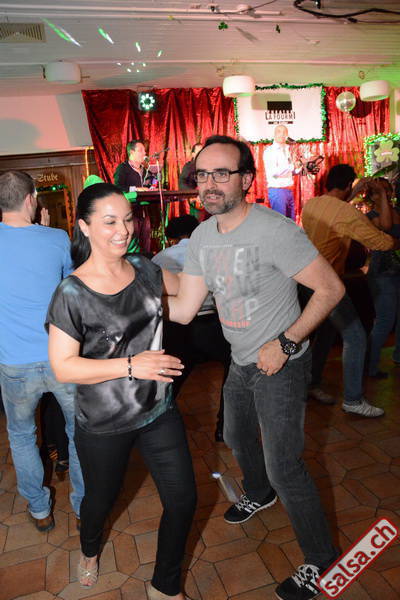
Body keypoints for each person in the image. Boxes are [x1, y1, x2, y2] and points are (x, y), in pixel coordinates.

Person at [166, 135, 345, 600]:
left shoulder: (273, 231)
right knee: (237, 437)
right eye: (202, 174)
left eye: (221, 173)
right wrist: (133, 286)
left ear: (246, 179)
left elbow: (331, 289)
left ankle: (322, 558)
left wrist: (286, 342)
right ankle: (259, 493)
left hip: (280, 362)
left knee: (284, 465)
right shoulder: (203, 237)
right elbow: (184, 309)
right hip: (241, 360)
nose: (209, 184)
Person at [47, 182, 196, 599]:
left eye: (127, 220)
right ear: (84, 226)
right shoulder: (71, 292)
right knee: (100, 501)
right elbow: (63, 366)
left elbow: (186, 297)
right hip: (104, 421)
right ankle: (89, 548)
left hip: (157, 410)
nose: (123, 230)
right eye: (110, 221)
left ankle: (165, 587)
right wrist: (132, 364)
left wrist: (215, 262)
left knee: (183, 500)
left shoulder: (144, 268)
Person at [0, 170, 84, 533]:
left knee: (21, 436)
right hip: (60, 356)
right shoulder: (57, 238)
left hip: (14, 362)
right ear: (30, 199)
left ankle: (39, 510)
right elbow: (71, 285)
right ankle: (83, 507)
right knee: (78, 433)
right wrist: (47, 234)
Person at [302, 166, 397, 415]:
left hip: (309, 280)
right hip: (327, 285)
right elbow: (381, 242)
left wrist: (353, 193)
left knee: (324, 334)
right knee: (355, 337)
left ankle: (311, 384)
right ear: (348, 185)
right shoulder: (346, 213)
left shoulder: (312, 204)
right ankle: (353, 400)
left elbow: (337, 210)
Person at [152, 214, 231, 441]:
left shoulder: (160, 258)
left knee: (171, 379)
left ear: (173, 237)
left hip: (176, 326)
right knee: (232, 367)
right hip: (211, 324)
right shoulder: (211, 254)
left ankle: (158, 427)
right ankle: (223, 427)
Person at [364, 178, 400, 377]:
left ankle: (398, 355)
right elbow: (386, 226)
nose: (386, 194)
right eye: (380, 192)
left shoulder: (397, 211)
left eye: (387, 191)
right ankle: (370, 365)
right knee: (385, 320)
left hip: (397, 270)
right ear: (372, 196)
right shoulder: (370, 217)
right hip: (382, 273)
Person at [263, 124, 300, 220]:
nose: (282, 134)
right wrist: (292, 166)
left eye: (285, 132)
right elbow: (274, 173)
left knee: (291, 223)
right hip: (277, 191)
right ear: (274, 134)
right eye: (279, 132)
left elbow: (288, 171)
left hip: (288, 190)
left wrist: (299, 169)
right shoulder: (270, 151)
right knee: (281, 222)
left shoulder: (287, 150)